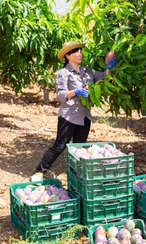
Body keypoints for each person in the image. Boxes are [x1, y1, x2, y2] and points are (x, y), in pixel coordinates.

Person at [31, 41, 116, 181]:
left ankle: (74, 174)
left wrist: (109, 67)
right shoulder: (62, 73)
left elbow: (101, 78)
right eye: (76, 51)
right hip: (69, 115)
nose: (80, 53)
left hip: (84, 116)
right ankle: (40, 171)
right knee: (60, 145)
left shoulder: (86, 71)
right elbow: (60, 95)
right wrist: (75, 92)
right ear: (68, 56)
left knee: (79, 147)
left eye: (80, 51)